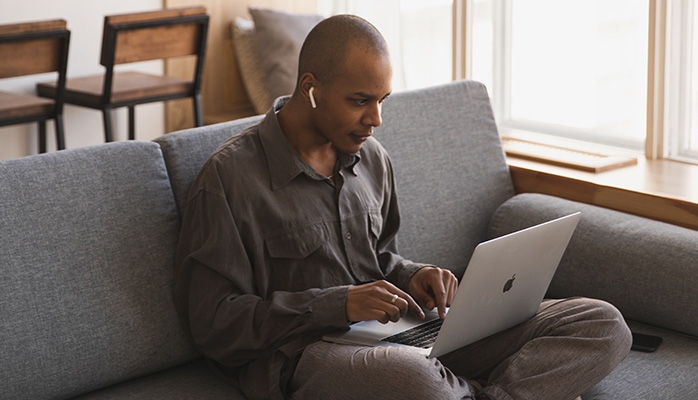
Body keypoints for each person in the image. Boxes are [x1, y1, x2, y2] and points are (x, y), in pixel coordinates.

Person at [174, 14, 631, 400]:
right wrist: (338, 304)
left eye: (381, 100)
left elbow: (381, 258)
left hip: (400, 333)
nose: (376, 119)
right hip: (304, 351)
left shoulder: (372, 158)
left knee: (601, 324)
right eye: (360, 101)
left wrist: (413, 276)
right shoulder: (229, 180)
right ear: (311, 88)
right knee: (413, 381)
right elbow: (215, 325)